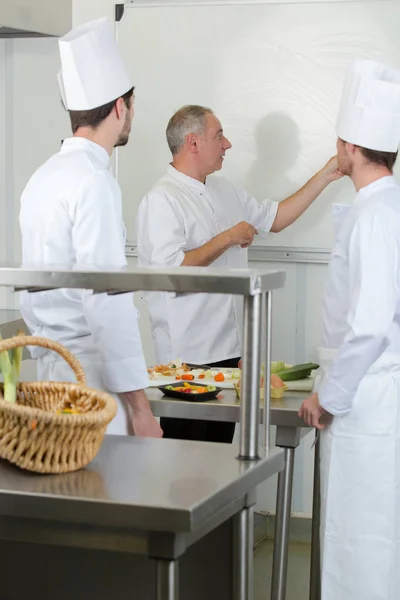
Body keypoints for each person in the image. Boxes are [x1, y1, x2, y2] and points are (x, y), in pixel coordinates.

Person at [136, 104, 341, 443]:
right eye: (219, 136)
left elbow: (275, 218)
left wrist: (327, 173)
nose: (227, 144)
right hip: (186, 361)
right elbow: (169, 272)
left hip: (228, 355)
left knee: (216, 461)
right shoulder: (161, 200)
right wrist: (228, 238)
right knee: (182, 468)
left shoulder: (222, 190)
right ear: (193, 143)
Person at [19, 18, 162, 438]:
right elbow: (107, 301)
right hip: (92, 387)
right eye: (132, 106)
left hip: (48, 382)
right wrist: (140, 409)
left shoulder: (42, 177)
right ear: (121, 106)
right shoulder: (95, 182)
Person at [299, 59, 400, 599]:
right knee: (368, 539)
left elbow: (369, 327)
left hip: (364, 397)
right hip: (372, 393)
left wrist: (328, 397)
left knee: (361, 543)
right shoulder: (383, 207)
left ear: (348, 148)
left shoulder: (374, 215)